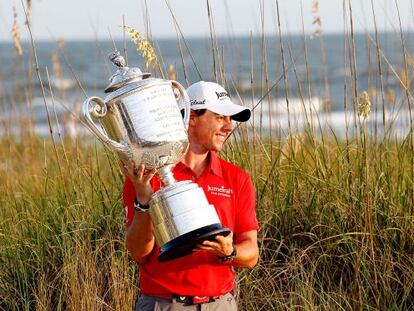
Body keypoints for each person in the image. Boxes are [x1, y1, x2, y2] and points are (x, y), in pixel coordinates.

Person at [121, 81, 259, 311]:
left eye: (230, 119)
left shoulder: (237, 178)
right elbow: (138, 252)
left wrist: (229, 251)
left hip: (220, 305)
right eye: (220, 117)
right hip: (163, 305)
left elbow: (251, 254)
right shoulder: (147, 174)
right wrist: (144, 200)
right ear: (192, 117)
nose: (229, 126)